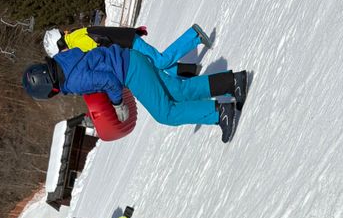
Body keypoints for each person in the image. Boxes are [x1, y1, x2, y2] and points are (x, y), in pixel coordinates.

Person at [22, 42, 248, 143]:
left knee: (165, 113)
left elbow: (108, 81)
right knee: (178, 91)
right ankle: (232, 81)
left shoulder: (73, 80)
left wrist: (118, 104)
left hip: (129, 71)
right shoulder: (64, 61)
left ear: (50, 89)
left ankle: (220, 113)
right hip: (131, 59)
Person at [43, 24, 211, 78]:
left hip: (128, 43)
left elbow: (100, 53)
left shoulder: (77, 42)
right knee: (154, 66)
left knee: (159, 61)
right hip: (126, 45)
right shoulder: (74, 39)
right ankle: (193, 71)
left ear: (60, 43)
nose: (63, 57)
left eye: (60, 54)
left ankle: (194, 35)